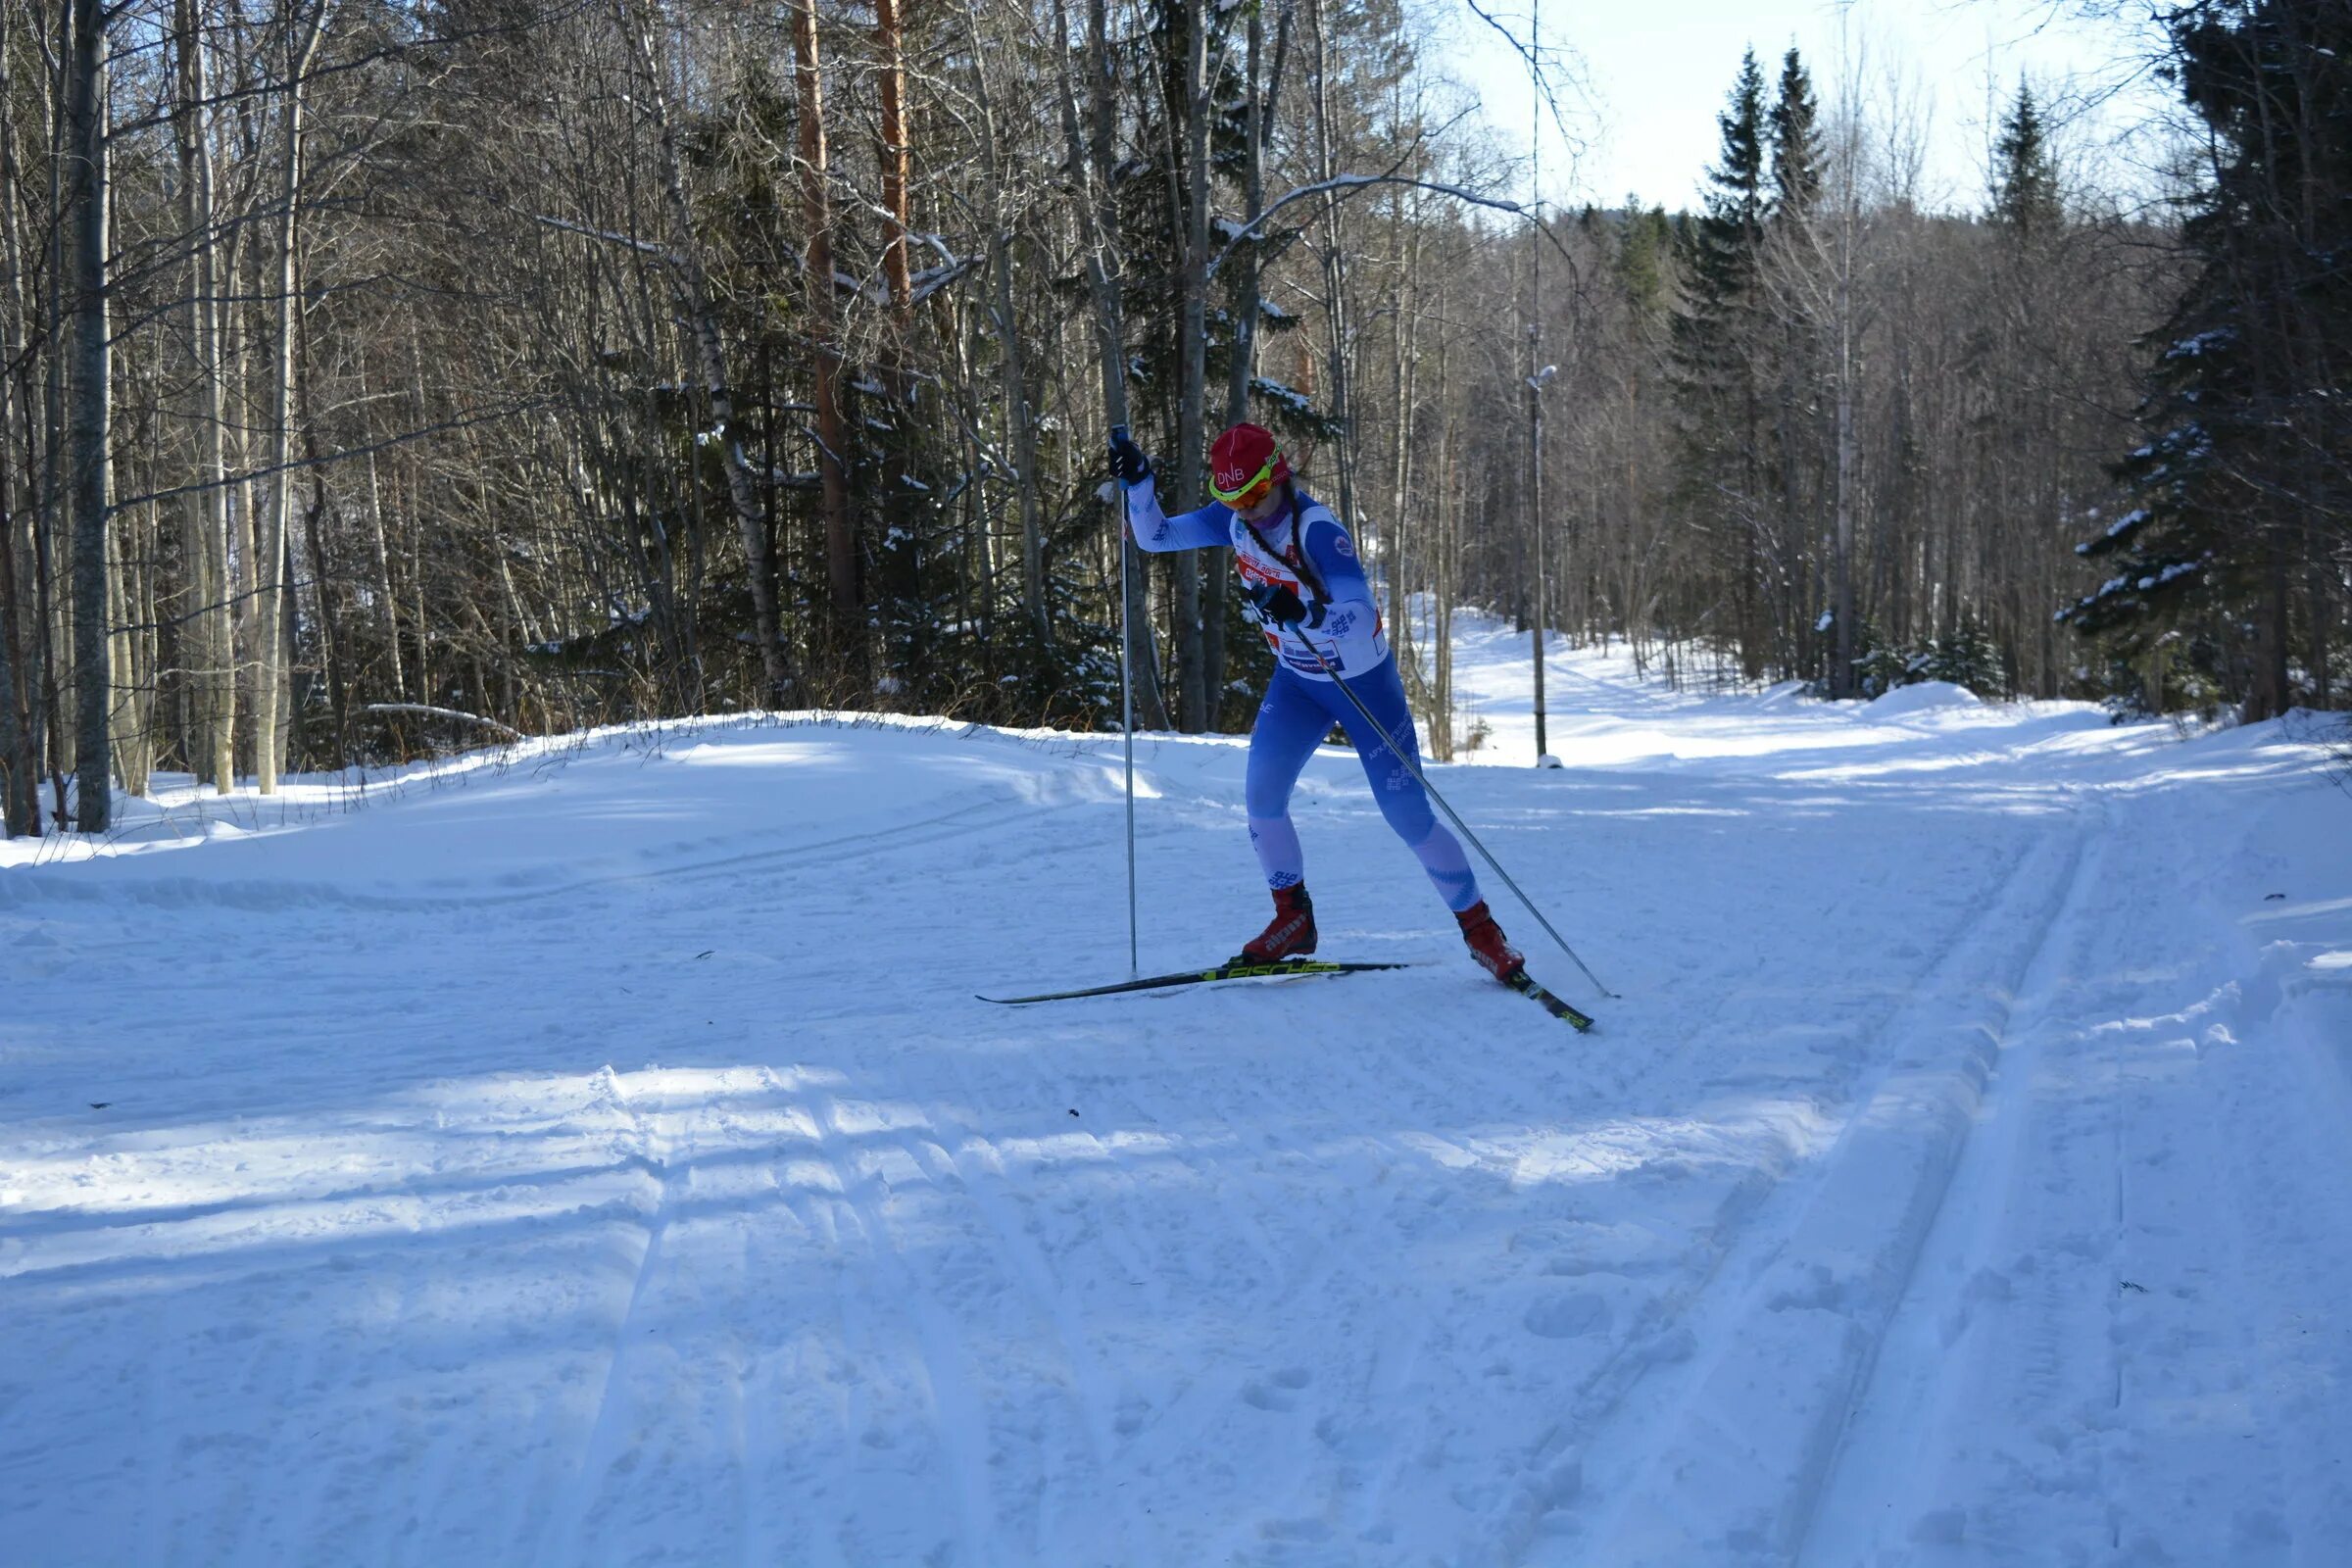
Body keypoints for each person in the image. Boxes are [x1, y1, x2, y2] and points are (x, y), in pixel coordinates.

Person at [1109, 419, 1524, 981]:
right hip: (1298, 682)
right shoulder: (1234, 522)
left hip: (1362, 686)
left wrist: (1309, 613)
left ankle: (1482, 932)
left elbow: (1357, 614)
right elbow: (1155, 537)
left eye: (1253, 493)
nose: (1246, 509)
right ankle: (1293, 918)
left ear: (1278, 474)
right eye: (1230, 497)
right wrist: (1140, 487)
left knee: (1408, 815)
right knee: (1261, 797)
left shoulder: (1317, 532)